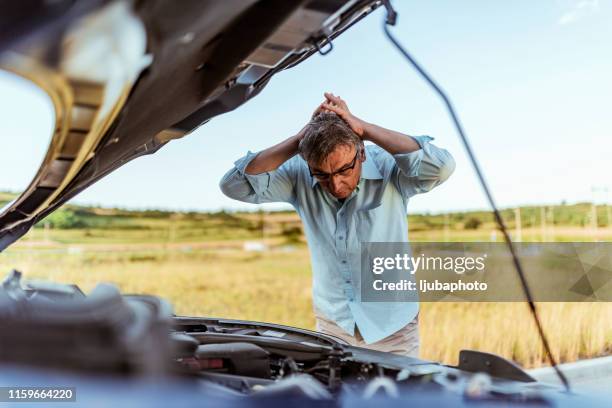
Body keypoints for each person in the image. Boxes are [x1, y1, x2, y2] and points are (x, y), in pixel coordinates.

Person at [219, 92, 455, 357]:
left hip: (393, 327)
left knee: (398, 399)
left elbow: (441, 167)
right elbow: (233, 185)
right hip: (333, 326)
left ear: (362, 153)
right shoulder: (298, 172)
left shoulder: (388, 166)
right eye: (321, 174)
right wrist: (299, 140)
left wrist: (365, 129)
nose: (335, 184)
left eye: (344, 170)